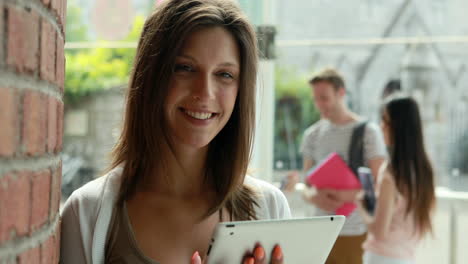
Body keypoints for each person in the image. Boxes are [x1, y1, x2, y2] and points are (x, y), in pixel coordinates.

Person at [60, 1, 291, 263]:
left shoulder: (270, 207)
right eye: (185, 68)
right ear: (151, 77)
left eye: (225, 74)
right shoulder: (87, 211)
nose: (205, 92)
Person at [284, 68, 387, 264]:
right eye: (316, 99)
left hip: (355, 232)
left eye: (324, 97)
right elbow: (307, 185)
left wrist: (346, 196)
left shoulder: (368, 133)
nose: (319, 104)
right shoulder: (312, 135)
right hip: (320, 231)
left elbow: (379, 186)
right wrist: (313, 196)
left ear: (341, 93)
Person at [357, 95, 436, 264]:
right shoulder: (424, 171)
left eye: (385, 121)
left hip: (382, 257)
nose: (381, 126)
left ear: (399, 127)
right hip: (407, 257)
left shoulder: (391, 173)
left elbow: (379, 232)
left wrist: (361, 207)